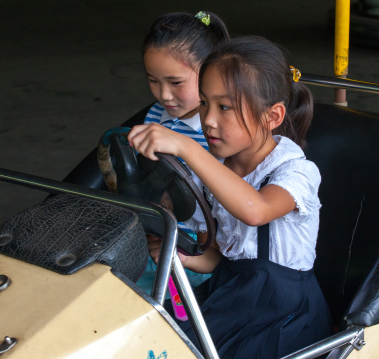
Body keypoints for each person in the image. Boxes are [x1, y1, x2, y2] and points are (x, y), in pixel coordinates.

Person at [129, 36, 332, 358]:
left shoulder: (296, 172)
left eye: (225, 107)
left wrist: (188, 147)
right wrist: (180, 254)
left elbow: (256, 210)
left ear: (272, 117)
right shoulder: (213, 174)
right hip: (232, 297)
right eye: (205, 103)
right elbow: (220, 259)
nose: (209, 119)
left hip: (280, 318)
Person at [136, 11, 230, 296]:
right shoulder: (155, 114)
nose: (164, 95)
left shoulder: (218, 129)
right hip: (156, 227)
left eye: (175, 83)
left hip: (200, 244)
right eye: (153, 80)